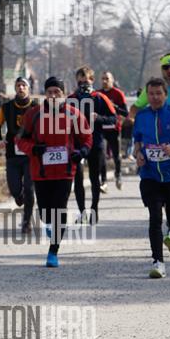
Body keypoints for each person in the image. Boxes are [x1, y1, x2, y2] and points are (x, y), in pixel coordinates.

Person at [16, 76, 92, 267]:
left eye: (57, 92)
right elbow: (20, 139)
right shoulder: (33, 115)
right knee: (45, 213)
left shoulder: (74, 114)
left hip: (65, 171)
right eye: (49, 92)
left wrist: (82, 152)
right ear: (45, 94)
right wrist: (34, 149)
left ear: (63, 94)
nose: (53, 95)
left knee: (60, 208)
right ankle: (50, 225)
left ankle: (53, 251)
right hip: (41, 172)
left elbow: (86, 138)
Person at [133, 77, 170, 278]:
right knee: (155, 218)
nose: (155, 97)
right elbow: (137, 140)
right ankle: (158, 262)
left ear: (166, 95)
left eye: (159, 93)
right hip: (150, 175)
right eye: (151, 94)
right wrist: (138, 153)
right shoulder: (142, 116)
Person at [68, 66, 116, 225]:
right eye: (80, 80)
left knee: (94, 178)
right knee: (78, 179)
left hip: (96, 143)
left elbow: (113, 118)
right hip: (77, 144)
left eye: (86, 80)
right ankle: (82, 212)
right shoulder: (71, 99)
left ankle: (94, 209)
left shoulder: (100, 97)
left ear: (92, 80)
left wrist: (99, 118)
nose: (83, 83)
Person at [0, 76, 38, 233]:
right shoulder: (6, 107)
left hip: (30, 154)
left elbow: (44, 126)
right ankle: (19, 197)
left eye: (24, 85)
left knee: (29, 189)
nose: (21, 88)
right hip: (12, 153)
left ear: (28, 88)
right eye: (18, 85)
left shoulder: (36, 107)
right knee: (15, 189)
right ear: (15, 88)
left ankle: (26, 222)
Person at [98, 71, 128, 190]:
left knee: (116, 154)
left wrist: (113, 106)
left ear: (112, 80)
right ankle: (103, 181)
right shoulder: (98, 94)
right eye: (103, 79)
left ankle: (118, 175)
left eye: (107, 79)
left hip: (114, 128)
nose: (104, 81)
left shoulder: (118, 93)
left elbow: (125, 112)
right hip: (101, 128)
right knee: (102, 155)